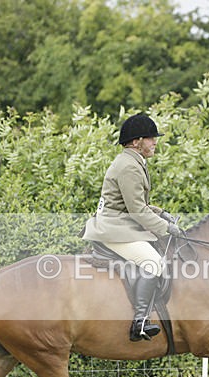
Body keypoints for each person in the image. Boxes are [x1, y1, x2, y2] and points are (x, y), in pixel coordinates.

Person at [82, 114, 181, 341]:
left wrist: (161, 213)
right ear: (136, 142)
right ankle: (140, 322)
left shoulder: (132, 162)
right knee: (153, 263)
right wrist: (165, 227)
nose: (155, 142)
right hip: (114, 229)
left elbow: (137, 204)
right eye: (150, 138)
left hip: (119, 224)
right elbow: (136, 210)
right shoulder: (129, 166)